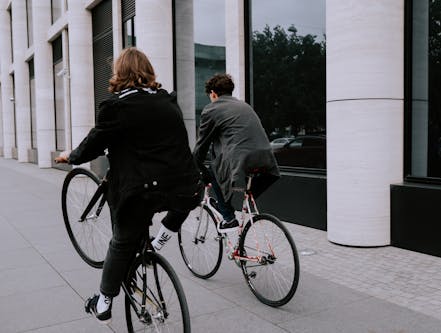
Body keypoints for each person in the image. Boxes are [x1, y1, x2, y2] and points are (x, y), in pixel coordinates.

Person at [55, 47, 201, 323]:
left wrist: (71, 156)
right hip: (185, 185)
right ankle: (161, 238)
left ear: (119, 73)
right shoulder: (168, 101)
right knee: (181, 200)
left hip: (143, 191)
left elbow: (95, 142)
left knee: (122, 242)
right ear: (147, 71)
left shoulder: (116, 106)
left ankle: (104, 300)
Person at [191, 73, 280, 232]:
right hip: (266, 158)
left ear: (213, 93)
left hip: (241, 159)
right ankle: (244, 203)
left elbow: (201, 148)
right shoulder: (244, 106)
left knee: (213, 170)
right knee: (244, 191)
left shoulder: (212, 109)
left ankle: (228, 217)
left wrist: (199, 170)